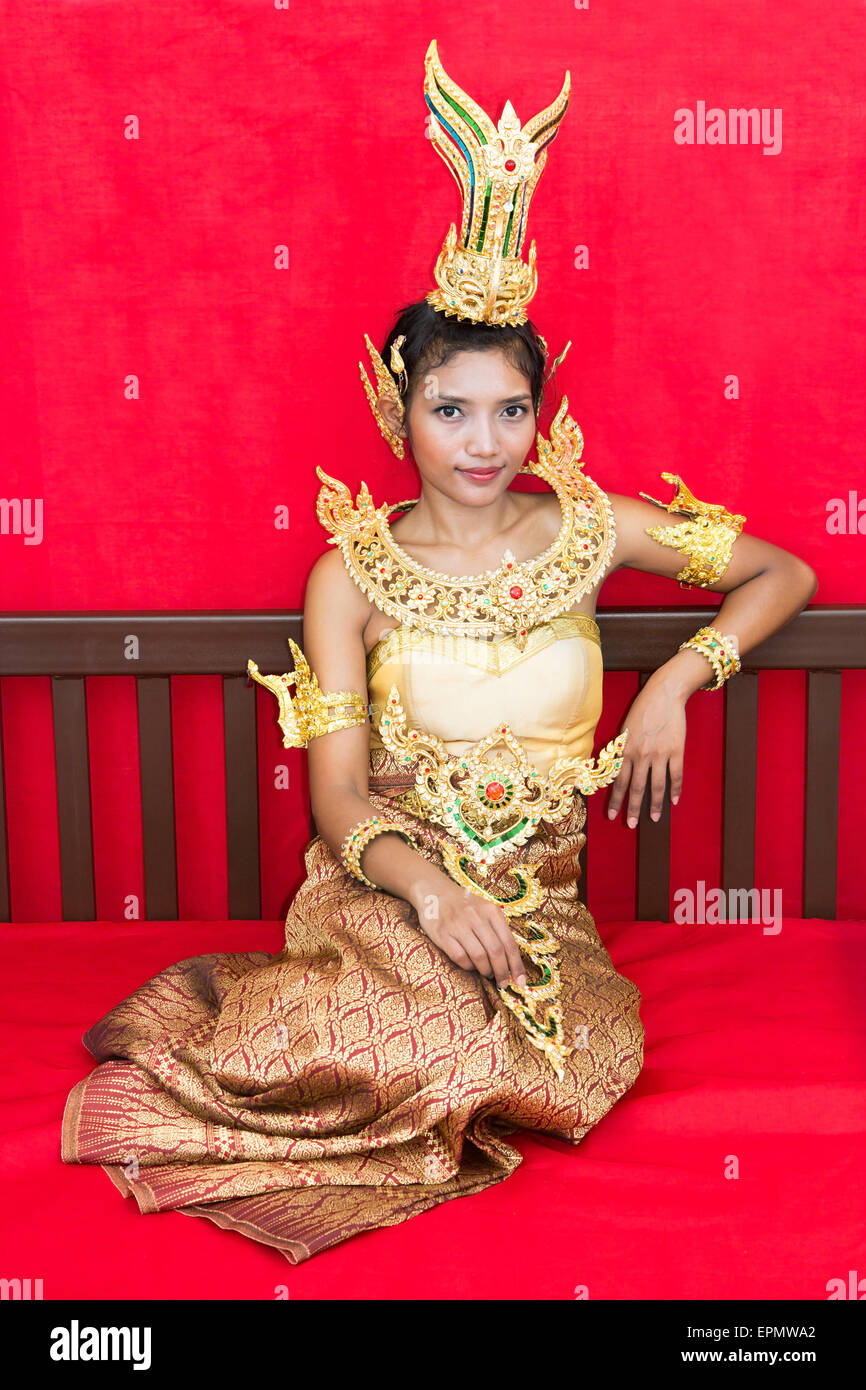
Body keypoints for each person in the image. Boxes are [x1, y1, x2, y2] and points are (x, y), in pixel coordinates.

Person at [61, 39, 817, 1264]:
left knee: (571, 1068)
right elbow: (339, 793)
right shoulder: (349, 573)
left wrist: (679, 677)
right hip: (389, 889)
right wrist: (430, 891)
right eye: (448, 409)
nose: (481, 442)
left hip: (541, 905)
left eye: (508, 409)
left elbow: (784, 571)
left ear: (541, 412)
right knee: (419, 1044)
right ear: (394, 409)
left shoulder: (593, 528)